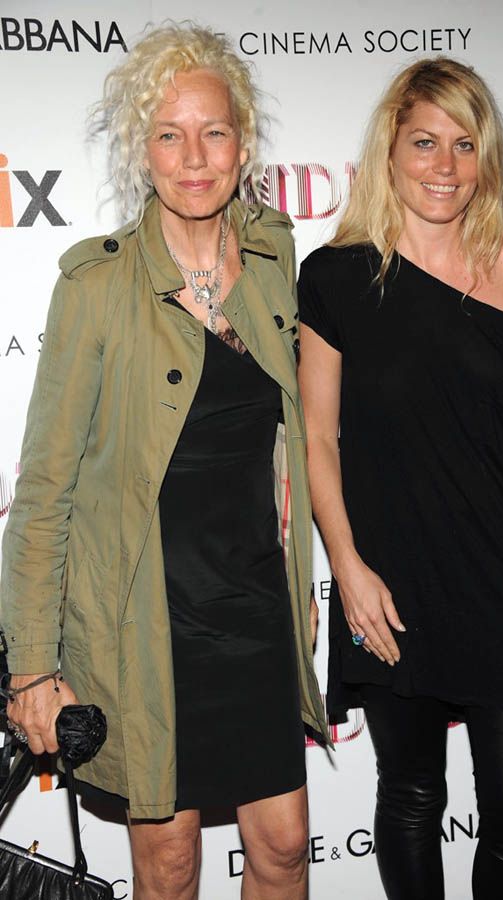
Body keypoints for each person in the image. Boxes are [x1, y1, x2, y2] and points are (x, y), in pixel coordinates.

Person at [0, 23, 327, 900]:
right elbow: (45, 488)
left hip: (254, 608)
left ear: (243, 145)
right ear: (142, 151)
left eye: (213, 132)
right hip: (145, 620)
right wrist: (31, 665)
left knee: (286, 847)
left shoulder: (274, 259)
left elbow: (296, 444)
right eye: (169, 135)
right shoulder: (95, 286)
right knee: (171, 862)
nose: (194, 158)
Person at [297, 57, 503, 900]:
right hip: (390, 579)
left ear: (486, 156)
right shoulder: (337, 275)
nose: (445, 165)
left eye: (465, 145)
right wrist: (349, 571)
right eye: (425, 142)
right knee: (410, 797)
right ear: (390, 150)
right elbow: (317, 439)